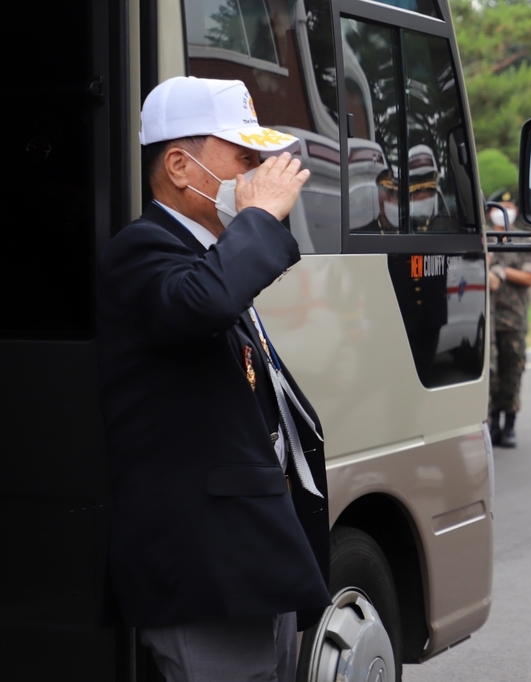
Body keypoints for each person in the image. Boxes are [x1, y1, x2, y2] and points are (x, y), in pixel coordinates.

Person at [96, 76, 331, 682]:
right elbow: (202, 304)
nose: (262, 173)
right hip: (202, 562)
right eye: (245, 158)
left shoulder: (207, 254)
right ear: (180, 165)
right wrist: (257, 219)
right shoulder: (142, 248)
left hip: (248, 555)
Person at [487, 189, 531, 448]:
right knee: (489, 374)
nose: (504, 210)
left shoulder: (524, 240)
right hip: (485, 320)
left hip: (513, 320)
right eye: (500, 206)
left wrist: (503, 272)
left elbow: (530, 278)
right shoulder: (482, 238)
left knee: (512, 372)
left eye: (509, 206)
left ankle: (509, 426)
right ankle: (490, 424)